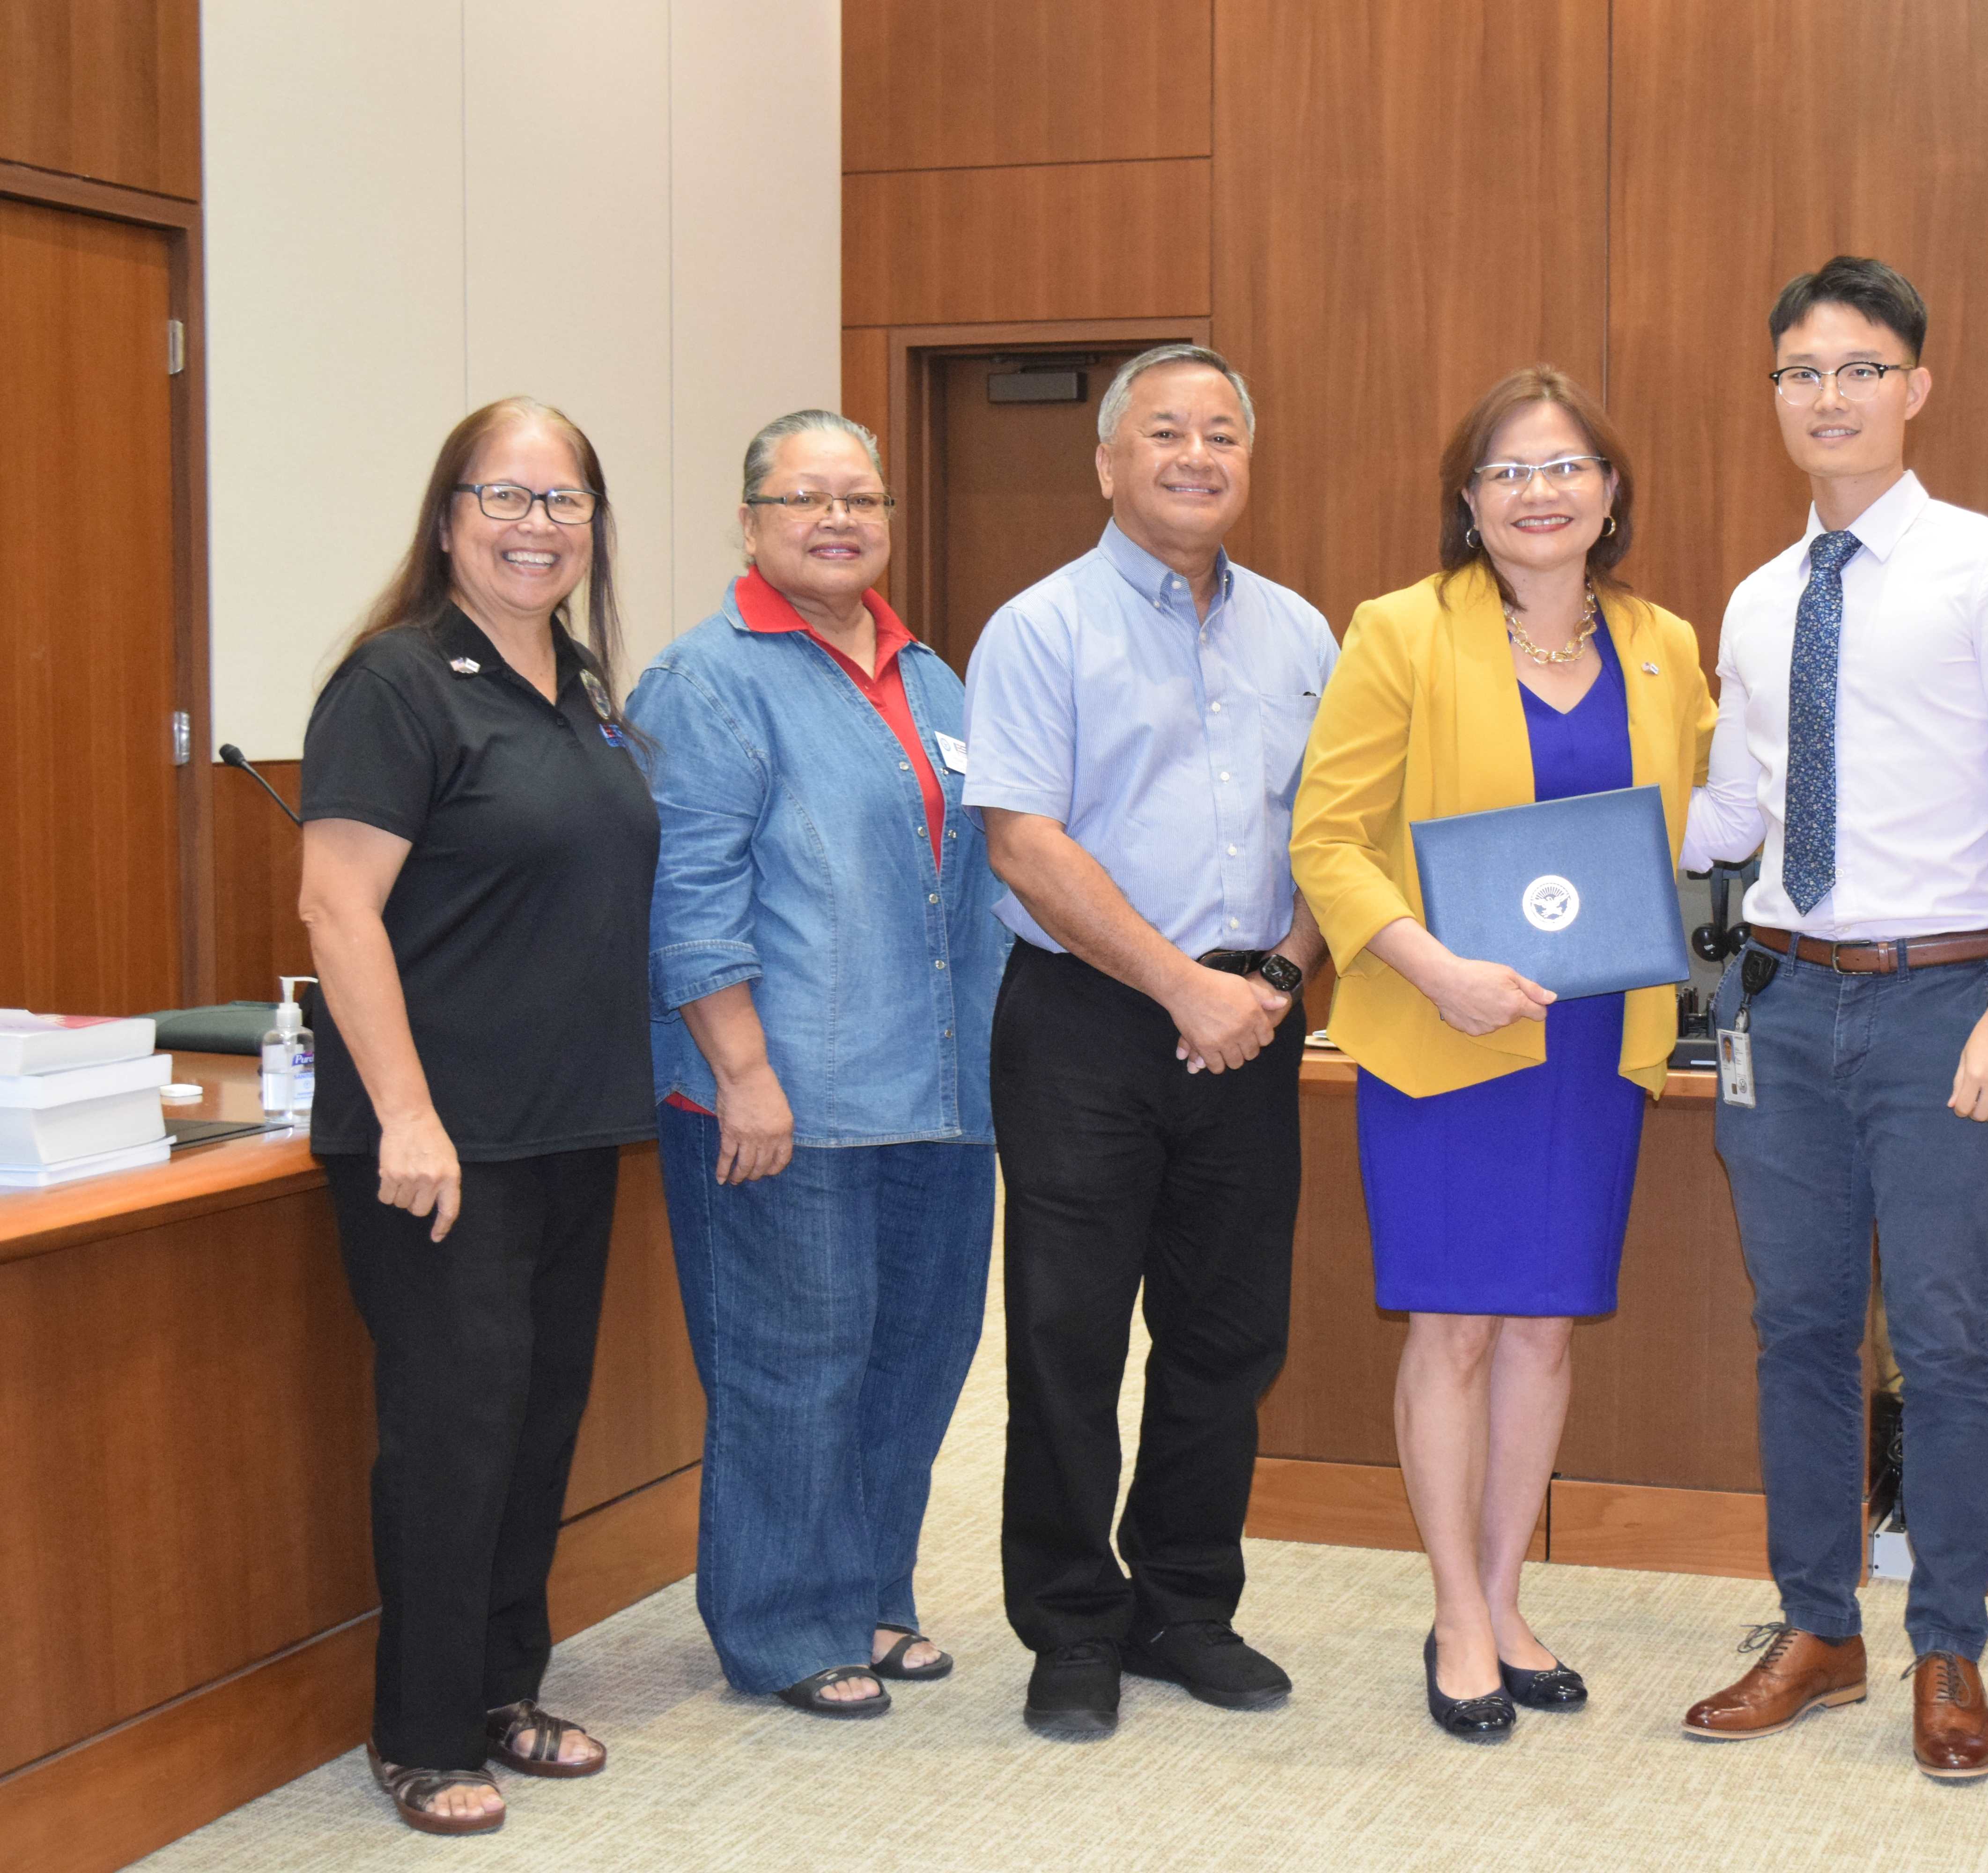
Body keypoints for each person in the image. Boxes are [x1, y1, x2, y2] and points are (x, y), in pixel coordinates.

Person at [1677, 257, 1988, 1780]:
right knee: (1794, 1331)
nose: (1826, 396)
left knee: (1944, 1336)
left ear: (1915, 387)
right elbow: (1739, 810)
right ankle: (1818, 1630)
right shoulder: (1762, 596)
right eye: (1799, 370)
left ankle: (1951, 1651)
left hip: (1941, 1004)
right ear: (1775, 392)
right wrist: (1597, 838)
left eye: (1858, 368)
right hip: (1780, 1002)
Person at [1292, 367, 1716, 1741]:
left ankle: (1505, 1589)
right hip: (1444, 1028)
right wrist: (1431, 967)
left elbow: (1703, 831)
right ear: (1468, 503)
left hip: (1594, 1037)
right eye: (1509, 472)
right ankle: (1456, 1613)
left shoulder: (1667, 644)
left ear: (1612, 492)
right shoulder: (1401, 632)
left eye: (1567, 466)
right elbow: (1329, 841)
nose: (1540, 492)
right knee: (1457, 1324)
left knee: (1543, 1324)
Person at [963, 343, 1337, 1740]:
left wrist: (1280, 977)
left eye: (1223, 433)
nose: (1197, 455)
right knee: (1067, 1333)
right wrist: (1184, 986)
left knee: (1227, 1335)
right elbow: (1024, 839)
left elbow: (1337, 833)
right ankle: (1070, 1620)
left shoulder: (1302, 632)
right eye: (1166, 432)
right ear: (1109, 461)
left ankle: (1185, 1602)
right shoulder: (1040, 628)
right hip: (1088, 1023)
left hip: (1257, 1019)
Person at [297, 397, 656, 1835]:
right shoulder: (395, 686)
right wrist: (407, 1115)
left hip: (571, 1129)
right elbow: (339, 906)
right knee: (453, 1434)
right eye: (504, 498)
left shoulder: (579, 689)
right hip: (439, 1146)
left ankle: (506, 1687)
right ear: (447, 517)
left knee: (537, 1422)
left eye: (564, 501)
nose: (535, 525)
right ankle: (423, 1729)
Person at [625, 411, 1010, 1721]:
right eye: (807, 498)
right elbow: (689, 899)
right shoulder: (708, 678)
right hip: (781, 1098)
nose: (838, 518)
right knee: (794, 1363)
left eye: (862, 498)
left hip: (943, 1093)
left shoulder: (934, 677)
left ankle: (869, 1591)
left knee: (919, 1351)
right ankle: (784, 1625)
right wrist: (742, 1072)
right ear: (750, 524)